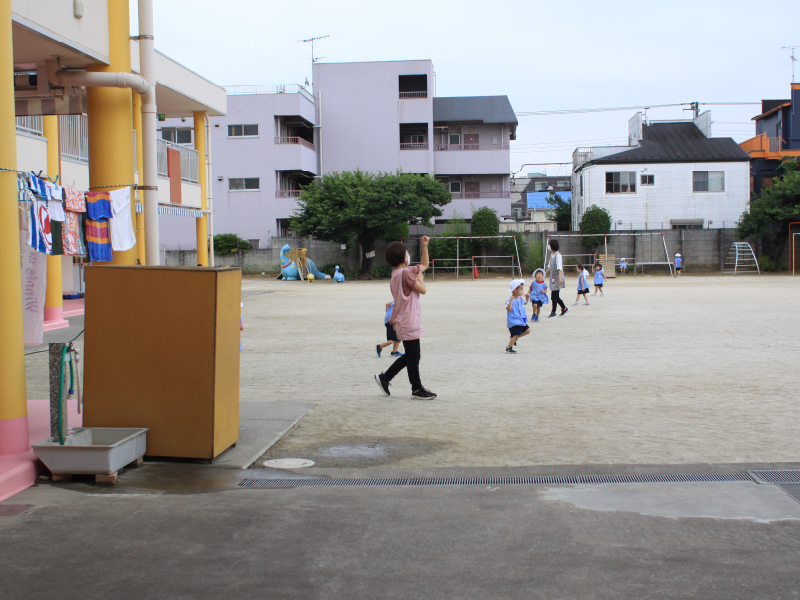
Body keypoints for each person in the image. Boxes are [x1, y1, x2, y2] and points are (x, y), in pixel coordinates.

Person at [374, 236, 436, 400]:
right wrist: (420, 277)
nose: (408, 255)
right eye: (407, 253)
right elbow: (423, 289)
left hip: (404, 319)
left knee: (411, 355)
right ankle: (416, 388)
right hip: (408, 320)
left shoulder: (397, 273)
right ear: (402, 257)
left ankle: (385, 378)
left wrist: (424, 246)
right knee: (413, 356)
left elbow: (424, 265)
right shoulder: (406, 273)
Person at [545, 239, 568, 318]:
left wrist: (559, 278)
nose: (548, 246)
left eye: (549, 244)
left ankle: (553, 312)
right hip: (553, 278)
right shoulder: (552, 255)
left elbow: (559, 267)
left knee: (554, 296)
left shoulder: (558, 255)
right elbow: (549, 266)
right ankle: (564, 308)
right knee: (555, 296)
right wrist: (544, 273)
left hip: (557, 277)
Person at [505, 279, 530, 353]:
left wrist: (527, 298)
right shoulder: (510, 300)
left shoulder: (520, 299)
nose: (522, 291)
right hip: (514, 321)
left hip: (521, 320)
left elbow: (524, 303)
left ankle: (514, 339)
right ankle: (509, 348)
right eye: (521, 289)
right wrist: (511, 301)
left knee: (528, 330)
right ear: (515, 290)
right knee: (515, 334)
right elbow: (508, 309)